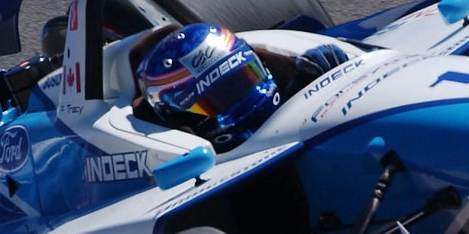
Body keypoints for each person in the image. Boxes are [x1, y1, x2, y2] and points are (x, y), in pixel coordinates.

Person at [134, 22, 349, 152]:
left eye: (240, 80)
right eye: (216, 97)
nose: (239, 97)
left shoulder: (296, 73)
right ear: (179, 117)